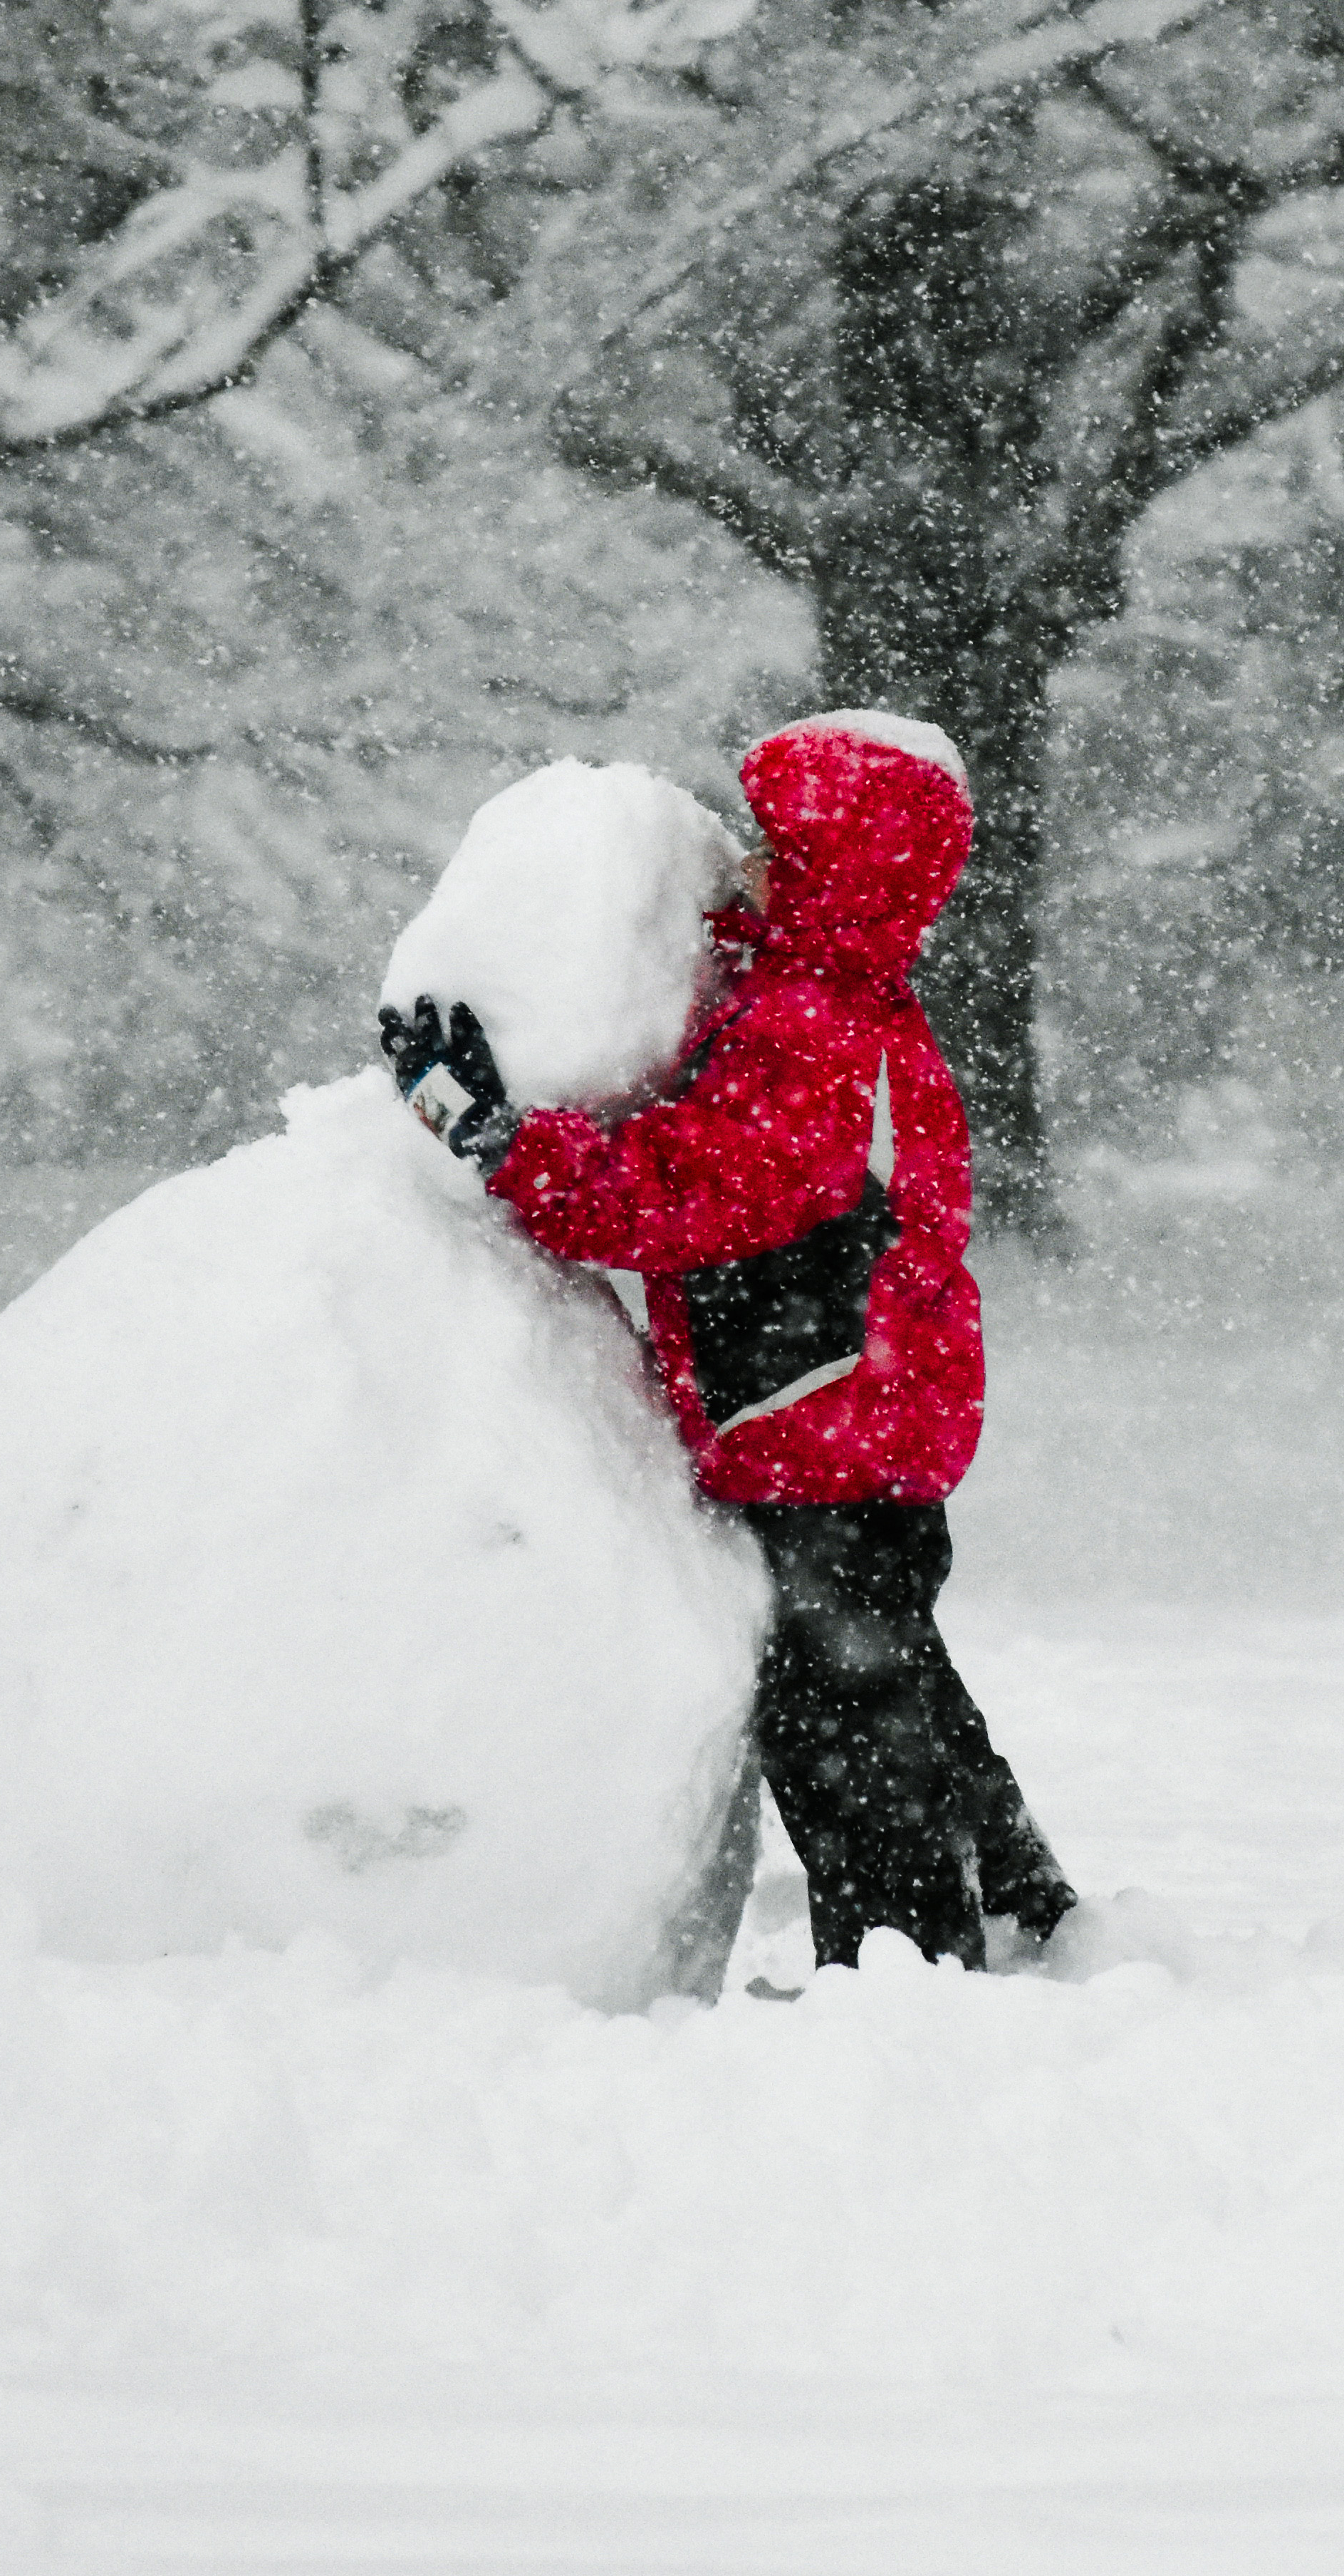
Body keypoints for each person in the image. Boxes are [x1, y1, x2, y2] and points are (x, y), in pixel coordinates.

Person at [377, 710, 1080, 1974]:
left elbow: (676, 1196)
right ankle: (1021, 1908)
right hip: (855, 1421)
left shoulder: (812, 1029)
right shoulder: (833, 1002)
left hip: (822, 1426)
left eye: (774, 846)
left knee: (840, 1720)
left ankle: (905, 1970)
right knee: (897, 1677)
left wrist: (484, 1130)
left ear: (829, 868)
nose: (748, 867)